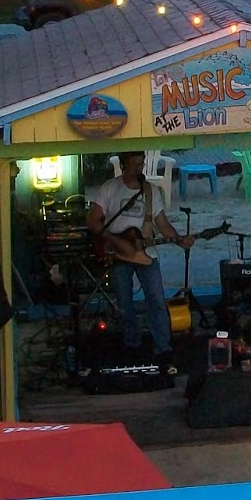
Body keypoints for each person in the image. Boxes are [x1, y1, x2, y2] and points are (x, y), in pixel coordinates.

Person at [85, 152, 194, 369]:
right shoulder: (110, 188)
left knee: (156, 300)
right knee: (124, 303)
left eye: (141, 164)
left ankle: (163, 348)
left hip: (146, 253)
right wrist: (117, 241)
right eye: (134, 164)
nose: (139, 168)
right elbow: (93, 221)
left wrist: (178, 239)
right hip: (117, 252)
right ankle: (131, 345)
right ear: (124, 165)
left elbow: (161, 224)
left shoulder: (151, 191)